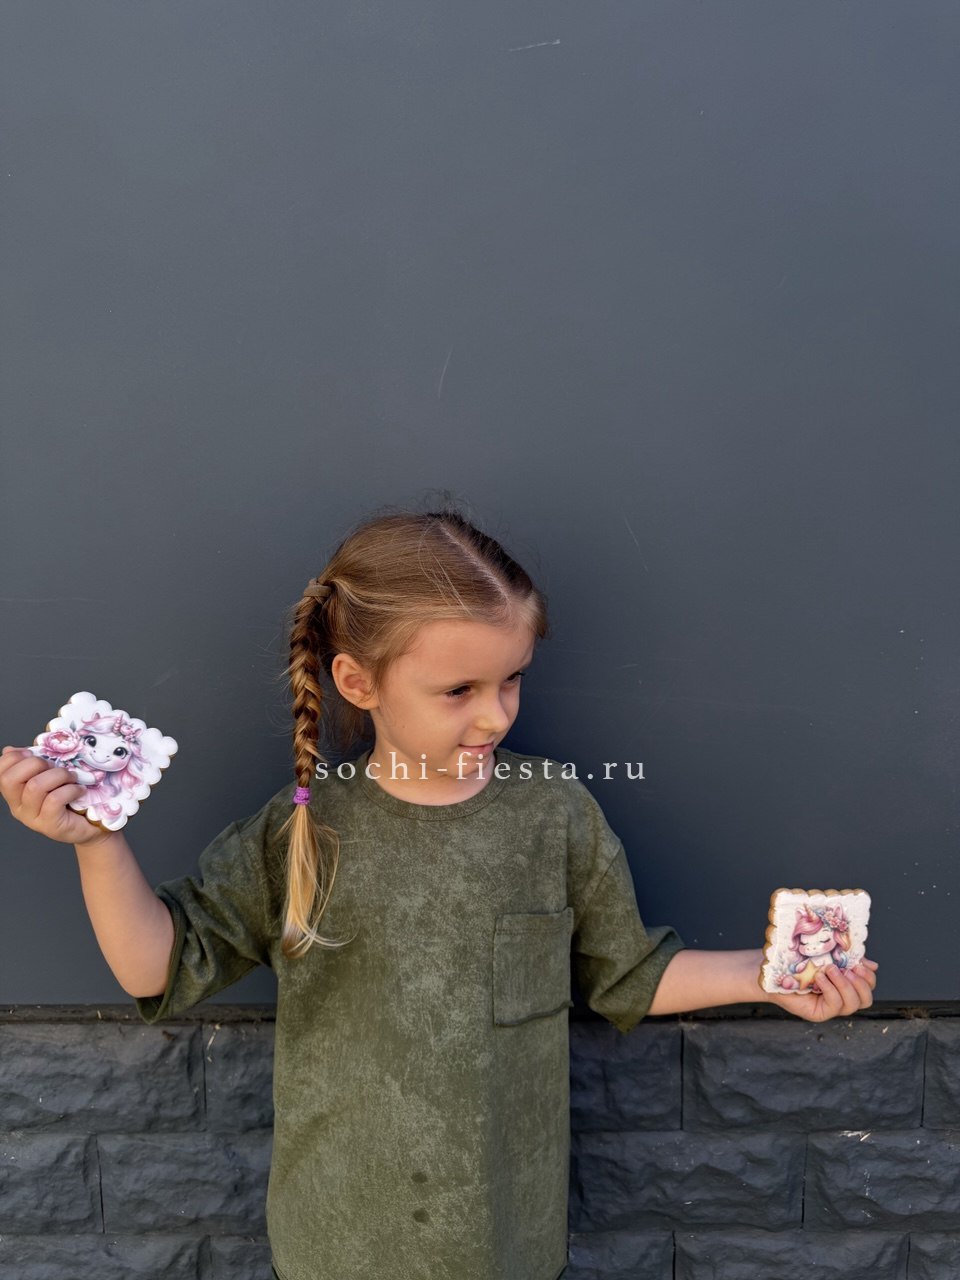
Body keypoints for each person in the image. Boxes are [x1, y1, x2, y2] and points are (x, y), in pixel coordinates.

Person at [0, 506, 877, 1280]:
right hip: (339, 1240)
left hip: (504, 1240)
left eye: (512, 679)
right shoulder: (303, 827)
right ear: (358, 682)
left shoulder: (554, 813)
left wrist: (769, 975)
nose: (495, 714)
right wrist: (97, 844)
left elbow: (629, 975)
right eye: (459, 690)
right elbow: (156, 968)